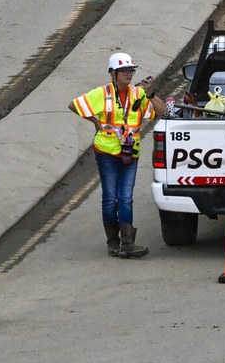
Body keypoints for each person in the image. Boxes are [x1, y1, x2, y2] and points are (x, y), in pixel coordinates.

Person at [69, 51, 167, 258]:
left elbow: (162, 112)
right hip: (106, 152)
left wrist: (150, 93)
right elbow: (74, 105)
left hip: (130, 152)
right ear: (113, 73)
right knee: (110, 198)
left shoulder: (139, 94)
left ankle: (128, 242)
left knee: (125, 198)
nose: (128, 74)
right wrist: (96, 123)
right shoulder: (102, 93)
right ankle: (113, 242)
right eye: (124, 71)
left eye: (130, 70)